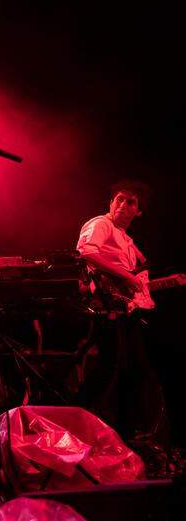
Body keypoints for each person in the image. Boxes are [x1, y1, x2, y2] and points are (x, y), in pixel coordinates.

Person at [75, 180, 167, 441]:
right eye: (120, 199)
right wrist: (126, 277)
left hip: (124, 308)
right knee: (110, 368)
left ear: (139, 212)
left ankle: (126, 434)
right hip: (107, 307)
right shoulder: (101, 224)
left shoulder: (128, 241)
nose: (124, 205)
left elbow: (135, 280)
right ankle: (74, 417)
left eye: (132, 202)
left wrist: (137, 282)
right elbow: (86, 253)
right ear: (110, 203)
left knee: (130, 369)